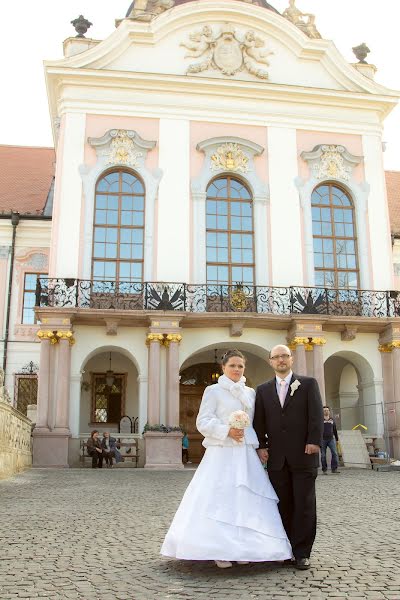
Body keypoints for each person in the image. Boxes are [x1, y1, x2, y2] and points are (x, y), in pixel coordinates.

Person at [161, 349, 292, 568]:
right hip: (222, 450)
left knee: (246, 497)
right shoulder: (213, 391)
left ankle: (243, 548)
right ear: (223, 367)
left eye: (240, 366)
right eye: (232, 365)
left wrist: (261, 444)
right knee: (221, 496)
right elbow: (202, 421)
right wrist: (226, 431)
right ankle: (219, 549)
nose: (237, 369)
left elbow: (258, 422)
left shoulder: (251, 393)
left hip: (246, 452)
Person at [253, 345, 323, 570]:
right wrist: (261, 446)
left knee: (304, 504)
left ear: (291, 359)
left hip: (304, 455)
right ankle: (284, 550)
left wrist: (314, 441)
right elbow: (259, 421)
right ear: (270, 361)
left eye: (285, 356)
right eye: (276, 357)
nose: (281, 360)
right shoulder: (262, 390)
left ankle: (302, 553)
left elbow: (316, 415)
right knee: (282, 505)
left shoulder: (308, 384)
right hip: (276, 459)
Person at [321, 407, 340, 474]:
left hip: (331, 439)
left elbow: (335, 430)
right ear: (322, 412)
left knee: (334, 453)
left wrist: (337, 439)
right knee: (323, 455)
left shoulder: (332, 420)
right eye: (324, 410)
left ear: (329, 411)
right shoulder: (320, 420)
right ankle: (324, 470)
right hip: (322, 440)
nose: (326, 411)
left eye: (327, 410)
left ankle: (334, 469)